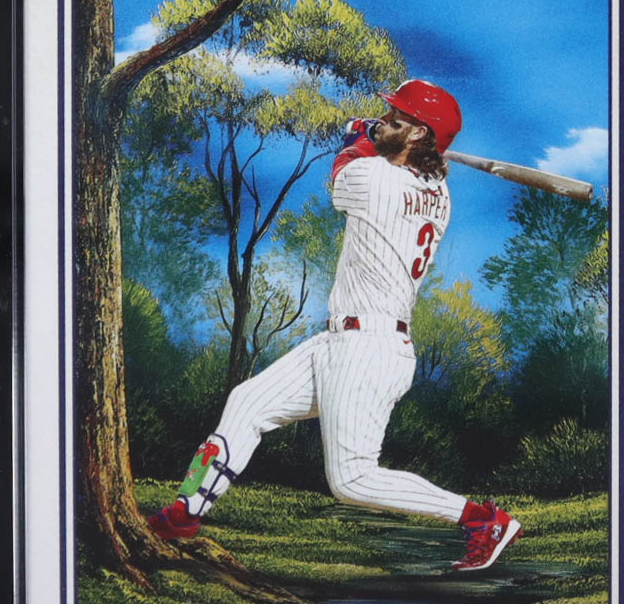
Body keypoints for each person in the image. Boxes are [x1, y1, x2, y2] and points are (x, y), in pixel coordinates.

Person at [148, 79, 521, 572]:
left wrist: (359, 138)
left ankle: (483, 518)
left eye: (395, 117)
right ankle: (184, 515)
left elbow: (345, 169)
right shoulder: (438, 191)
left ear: (418, 135)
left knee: (352, 480)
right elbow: (396, 165)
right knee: (247, 402)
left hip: (368, 349)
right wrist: (383, 137)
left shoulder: (378, 179)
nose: (382, 120)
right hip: (345, 339)